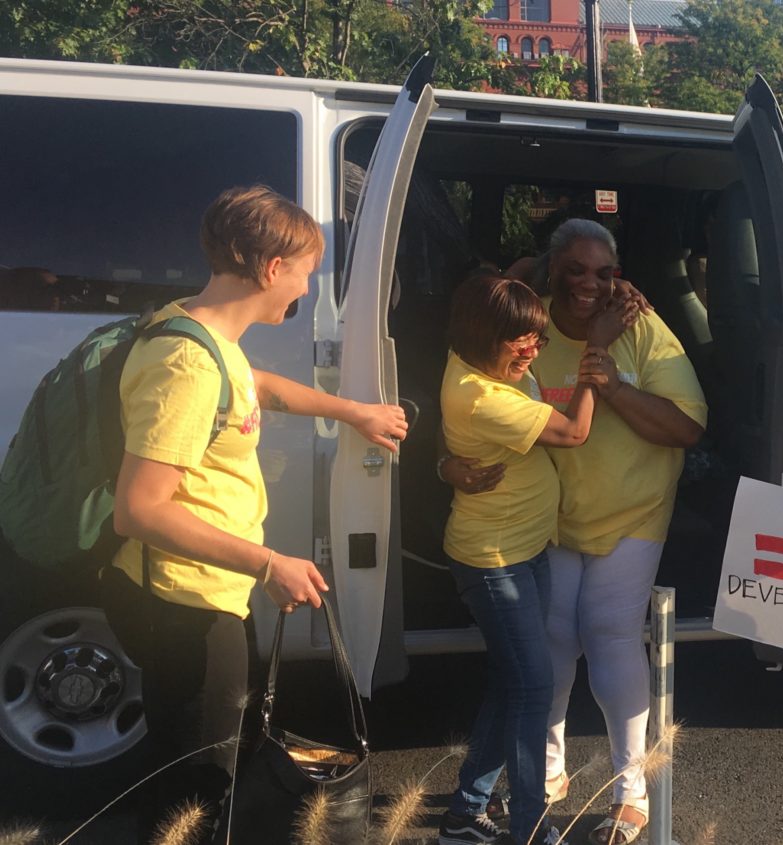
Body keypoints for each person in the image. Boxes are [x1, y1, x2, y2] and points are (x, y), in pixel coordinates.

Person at [102, 185, 407, 843]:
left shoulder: (207, 335)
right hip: (185, 601)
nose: (305, 288)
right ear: (272, 269)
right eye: (306, 273)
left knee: (198, 767)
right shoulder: (185, 363)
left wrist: (353, 412)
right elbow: (138, 508)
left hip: (208, 590)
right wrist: (268, 563)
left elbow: (256, 388)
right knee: (196, 784)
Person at [445, 219, 705, 845]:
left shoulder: (639, 326)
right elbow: (471, 400)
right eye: (574, 270)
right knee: (552, 646)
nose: (589, 284)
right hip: (551, 521)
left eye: (603, 272)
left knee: (611, 638)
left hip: (632, 513)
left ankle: (630, 792)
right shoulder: (524, 325)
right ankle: (548, 773)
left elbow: (688, 428)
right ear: (549, 270)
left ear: (619, 275)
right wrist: (444, 463)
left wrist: (610, 380)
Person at [437, 270, 611, 845]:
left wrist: (445, 464)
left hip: (524, 548)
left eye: (538, 339)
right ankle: (532, 827)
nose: (533, 351)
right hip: (496, 562)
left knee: (512, 682)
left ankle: (465, 814)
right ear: (485, 335)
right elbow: (575, 431)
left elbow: (516, 284)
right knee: (534, 688)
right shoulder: (483, 397)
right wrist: (594, 356)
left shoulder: (472, 360)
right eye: (522, 342)